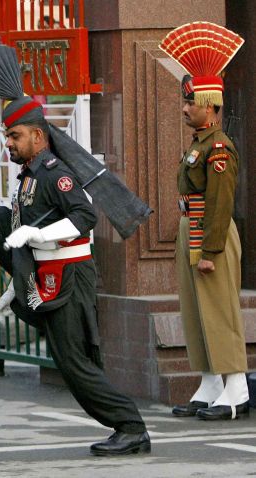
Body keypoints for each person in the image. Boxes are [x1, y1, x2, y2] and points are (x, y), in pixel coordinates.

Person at [0, 44, 150, 456]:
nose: (9, 141)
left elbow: (84, 216)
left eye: (15, 135)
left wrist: (34, 237)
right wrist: (15, 278)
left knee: (75, 366)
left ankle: (130, 426)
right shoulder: (29, 176)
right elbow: (19, 229)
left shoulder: (55, 173)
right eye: (7, 134)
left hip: (68, 279)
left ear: (38, 136)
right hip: (45, 275)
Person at [160, 23, 249, 421]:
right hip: (191, 230)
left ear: (209, 104)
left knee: (219, 310)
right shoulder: (200, 143)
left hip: (210, 233)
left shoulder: (218, 148)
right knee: (195, 312)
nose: (184, 107)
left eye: (190, 102)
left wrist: (210, 248)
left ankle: (237, 388)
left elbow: (220, 203)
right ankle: (211, 381)